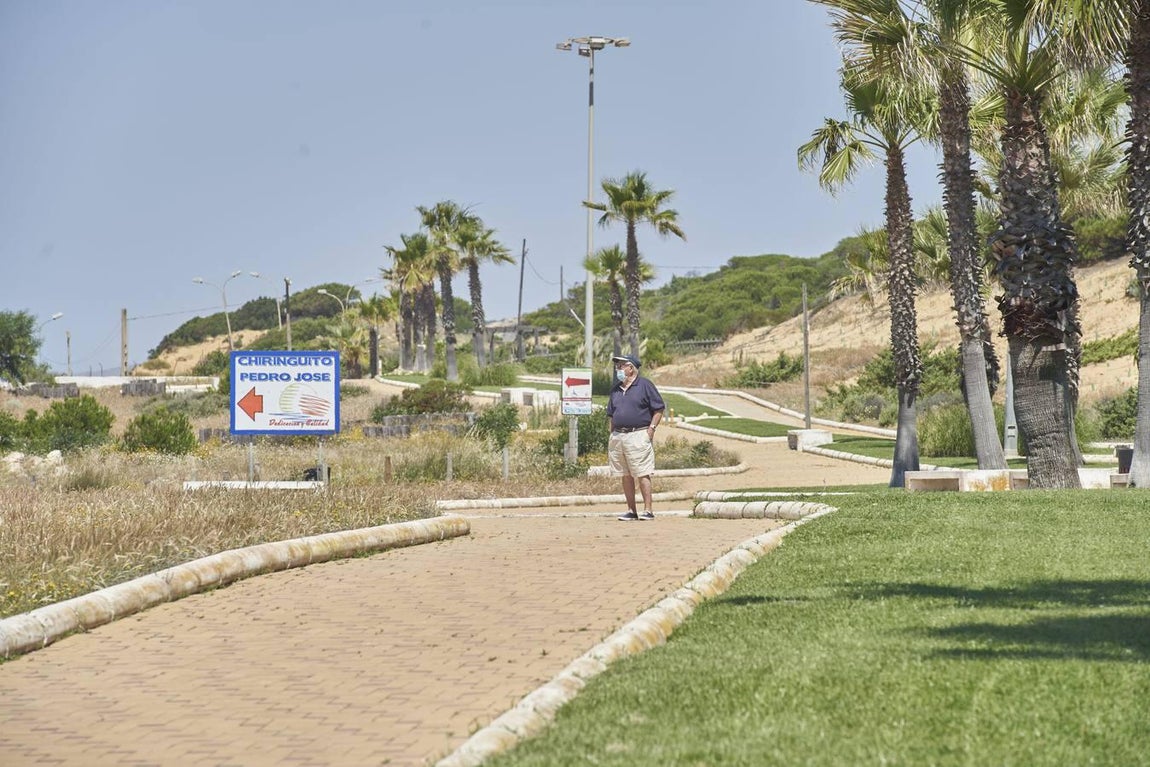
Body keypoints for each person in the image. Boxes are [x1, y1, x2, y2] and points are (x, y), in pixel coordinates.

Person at [606, 354, 665, 521]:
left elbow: (658, 409)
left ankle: (648, 510)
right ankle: (631, 510)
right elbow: (611, 414)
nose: (618, 369)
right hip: (618, 436)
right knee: (625, 474)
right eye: (617, 366)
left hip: (638, 434)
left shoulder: (645, 385)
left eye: (621, 366)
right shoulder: (616, 389)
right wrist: (611, 434)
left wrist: (651, 430)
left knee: (642, 472)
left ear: (631, 368)